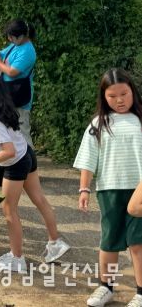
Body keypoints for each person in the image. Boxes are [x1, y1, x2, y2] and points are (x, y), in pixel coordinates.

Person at [0, 74, 70, 273]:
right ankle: (55, 242)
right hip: (27, 154)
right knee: (39, 199)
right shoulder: (5, 110)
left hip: (16, 162)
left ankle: (17, 258)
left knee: (9, 210)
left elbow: (8, 152)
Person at [74, 68, 142, 307]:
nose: (119, 100)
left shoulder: (140, 121)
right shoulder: (98, 124)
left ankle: (141, 292)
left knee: (138, 242)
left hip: (139, 191)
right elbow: (88, 159)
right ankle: (106, 287)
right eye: (112, 96)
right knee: (109, 240)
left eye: (124, 94)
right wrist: (84, 189)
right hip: (109, 190)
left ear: (133, 92)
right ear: (103, 97)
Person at [0, 20, 36, 147]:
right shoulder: (15, 45)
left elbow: (12, 72)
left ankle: (30, 158)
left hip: (20, 98)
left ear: (22, 36)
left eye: (11, 36)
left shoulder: (28, 51)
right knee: (11, 132)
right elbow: (0, 55)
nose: (9, 39)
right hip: (9, 95)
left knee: (22, 133)